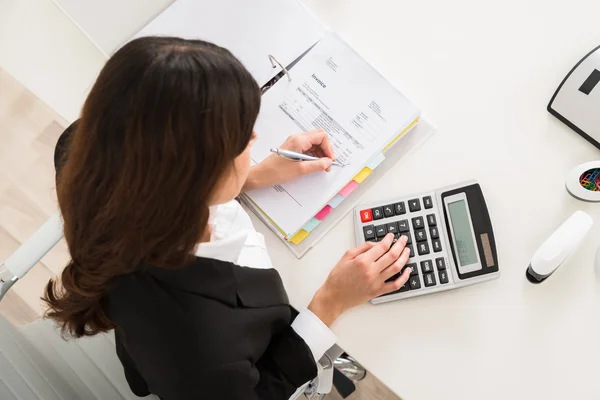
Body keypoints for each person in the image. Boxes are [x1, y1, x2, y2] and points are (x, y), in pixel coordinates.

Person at [44, 36, 411, 400]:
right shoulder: (204, 345)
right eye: (240, 140)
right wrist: (330, 302)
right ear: (193, 176)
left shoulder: (85, 153)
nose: (254, 136)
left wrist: (245, 177)